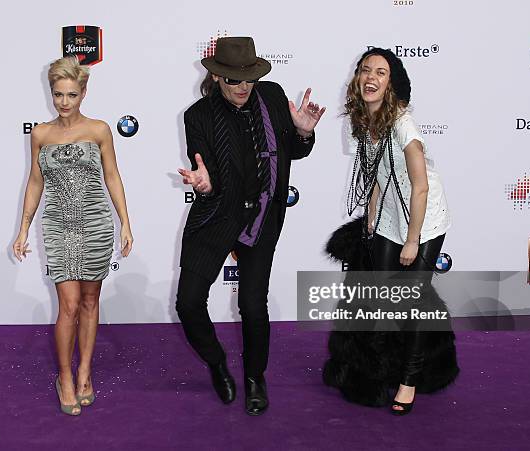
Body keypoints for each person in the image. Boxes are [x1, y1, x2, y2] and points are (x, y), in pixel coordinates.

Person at [176, 36, 325, 416]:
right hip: (217, 216)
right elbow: (205, 171)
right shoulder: (199, 117)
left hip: (261, 216)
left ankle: (256, 378)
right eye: (233, 81)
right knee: (189, 303)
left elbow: (294, 149)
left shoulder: (273, 97)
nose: (243, 87)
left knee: (253, 305)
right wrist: (205, 185)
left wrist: (304, 132)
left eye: (249, 80)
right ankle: (216, 363)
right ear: (217, 78)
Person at [323, 48, 458, 415]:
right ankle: (379, 367)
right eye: (366, 70)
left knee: (412, 302)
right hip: (388, 213)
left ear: (391, 84)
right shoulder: (360, 119)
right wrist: (371, 215)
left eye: (381, 72)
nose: (371, 77)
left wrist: (413, 239)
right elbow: (377, 170)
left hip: (423, 217)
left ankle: (409, 381)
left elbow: (420, 187)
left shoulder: (404, 126)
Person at [12, 56, 134, 416]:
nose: (64, 102)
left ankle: (85, 371)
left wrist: (125, 222)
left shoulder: (99, 130)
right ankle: (64, 376)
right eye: (58, 94)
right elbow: (35, 182)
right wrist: (22, 228)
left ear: (83, 93)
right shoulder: (40, 133)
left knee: (90, 303)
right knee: (68, 306)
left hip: (96, 223)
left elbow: (112, 176)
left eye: (71, 95)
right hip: (59, 225)